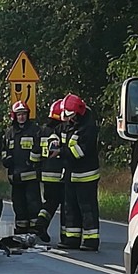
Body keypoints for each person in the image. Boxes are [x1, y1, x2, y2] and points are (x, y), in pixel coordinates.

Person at [59, 94, 100, 251]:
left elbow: (79, 152)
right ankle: (72, 238)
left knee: (87, 208)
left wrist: (61, 152)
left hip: (86, 176)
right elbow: (57, 134)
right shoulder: (71, 124)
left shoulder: (88, 128)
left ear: (79, 112)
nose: (70, 119)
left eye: (72, 115)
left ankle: (91, 240)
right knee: (71, 208)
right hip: (71, 174)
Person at [1, 100, 42, 236]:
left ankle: (34, 229)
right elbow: (4, 151)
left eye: (24, 114)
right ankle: (21, 229)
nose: (22, 117)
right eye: (19, 115)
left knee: (33, 204)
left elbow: (39, 149)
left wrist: (32, 161)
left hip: (30, 176)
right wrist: (6, 160)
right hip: (15, 177)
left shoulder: (35, 130)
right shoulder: (9, 133)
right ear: (14, 116)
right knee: (18, 205)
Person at [35, 99, 65, 244]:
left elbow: (36, 154)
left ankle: (41, 221)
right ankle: (66, 235)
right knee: (65, 204)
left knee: (50, 202)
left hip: (45, 174)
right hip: (59, 174)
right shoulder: (61, 131)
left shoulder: (42, 131)